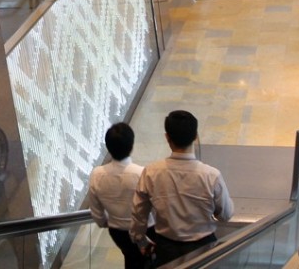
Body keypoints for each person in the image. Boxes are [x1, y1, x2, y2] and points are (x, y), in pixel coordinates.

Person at [130, 111, 233, 267]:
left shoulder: (151, 173)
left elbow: (138, 213)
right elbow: (226, 215)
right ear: (195, 136)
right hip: (204, 248)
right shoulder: (211, 175)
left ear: (167, 138)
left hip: (166, 249)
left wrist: (140, 239)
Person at [89, 123, 148, 269]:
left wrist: (105, 222)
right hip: (145, 231)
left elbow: (97, 213)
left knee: (130, 256)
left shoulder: (97, 174)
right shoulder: (141, 173)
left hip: (117, 232)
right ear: (131, 145)